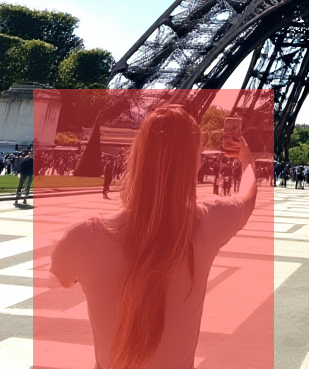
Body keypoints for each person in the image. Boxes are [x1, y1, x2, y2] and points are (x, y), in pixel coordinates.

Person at [50, 104, 258, 369]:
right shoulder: (207, 222)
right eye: (199, 155)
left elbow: (61, 275)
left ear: (137, 155)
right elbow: (247, 198)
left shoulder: (81, 236)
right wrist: (246, 161)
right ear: (193, 164)